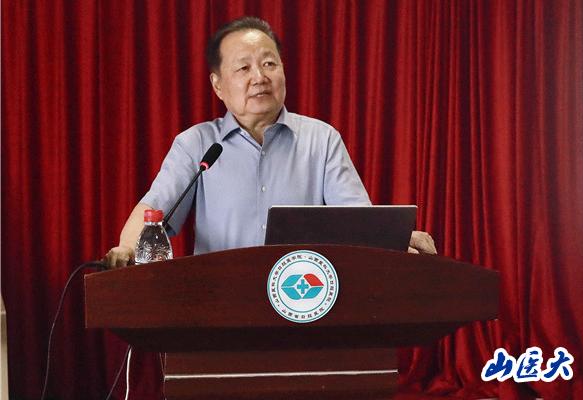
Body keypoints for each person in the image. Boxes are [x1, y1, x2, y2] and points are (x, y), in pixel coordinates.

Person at [104, 16, 436, 268]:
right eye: (243, 68)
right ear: (218, 85)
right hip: (218, 300)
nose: (259, 77)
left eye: (268, 64)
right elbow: (154, 211)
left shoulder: (321, 140)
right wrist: (127, 249)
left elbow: (357, 222)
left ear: (283, 71)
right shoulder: (197, 144)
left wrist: (392, 239)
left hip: (303, 299)